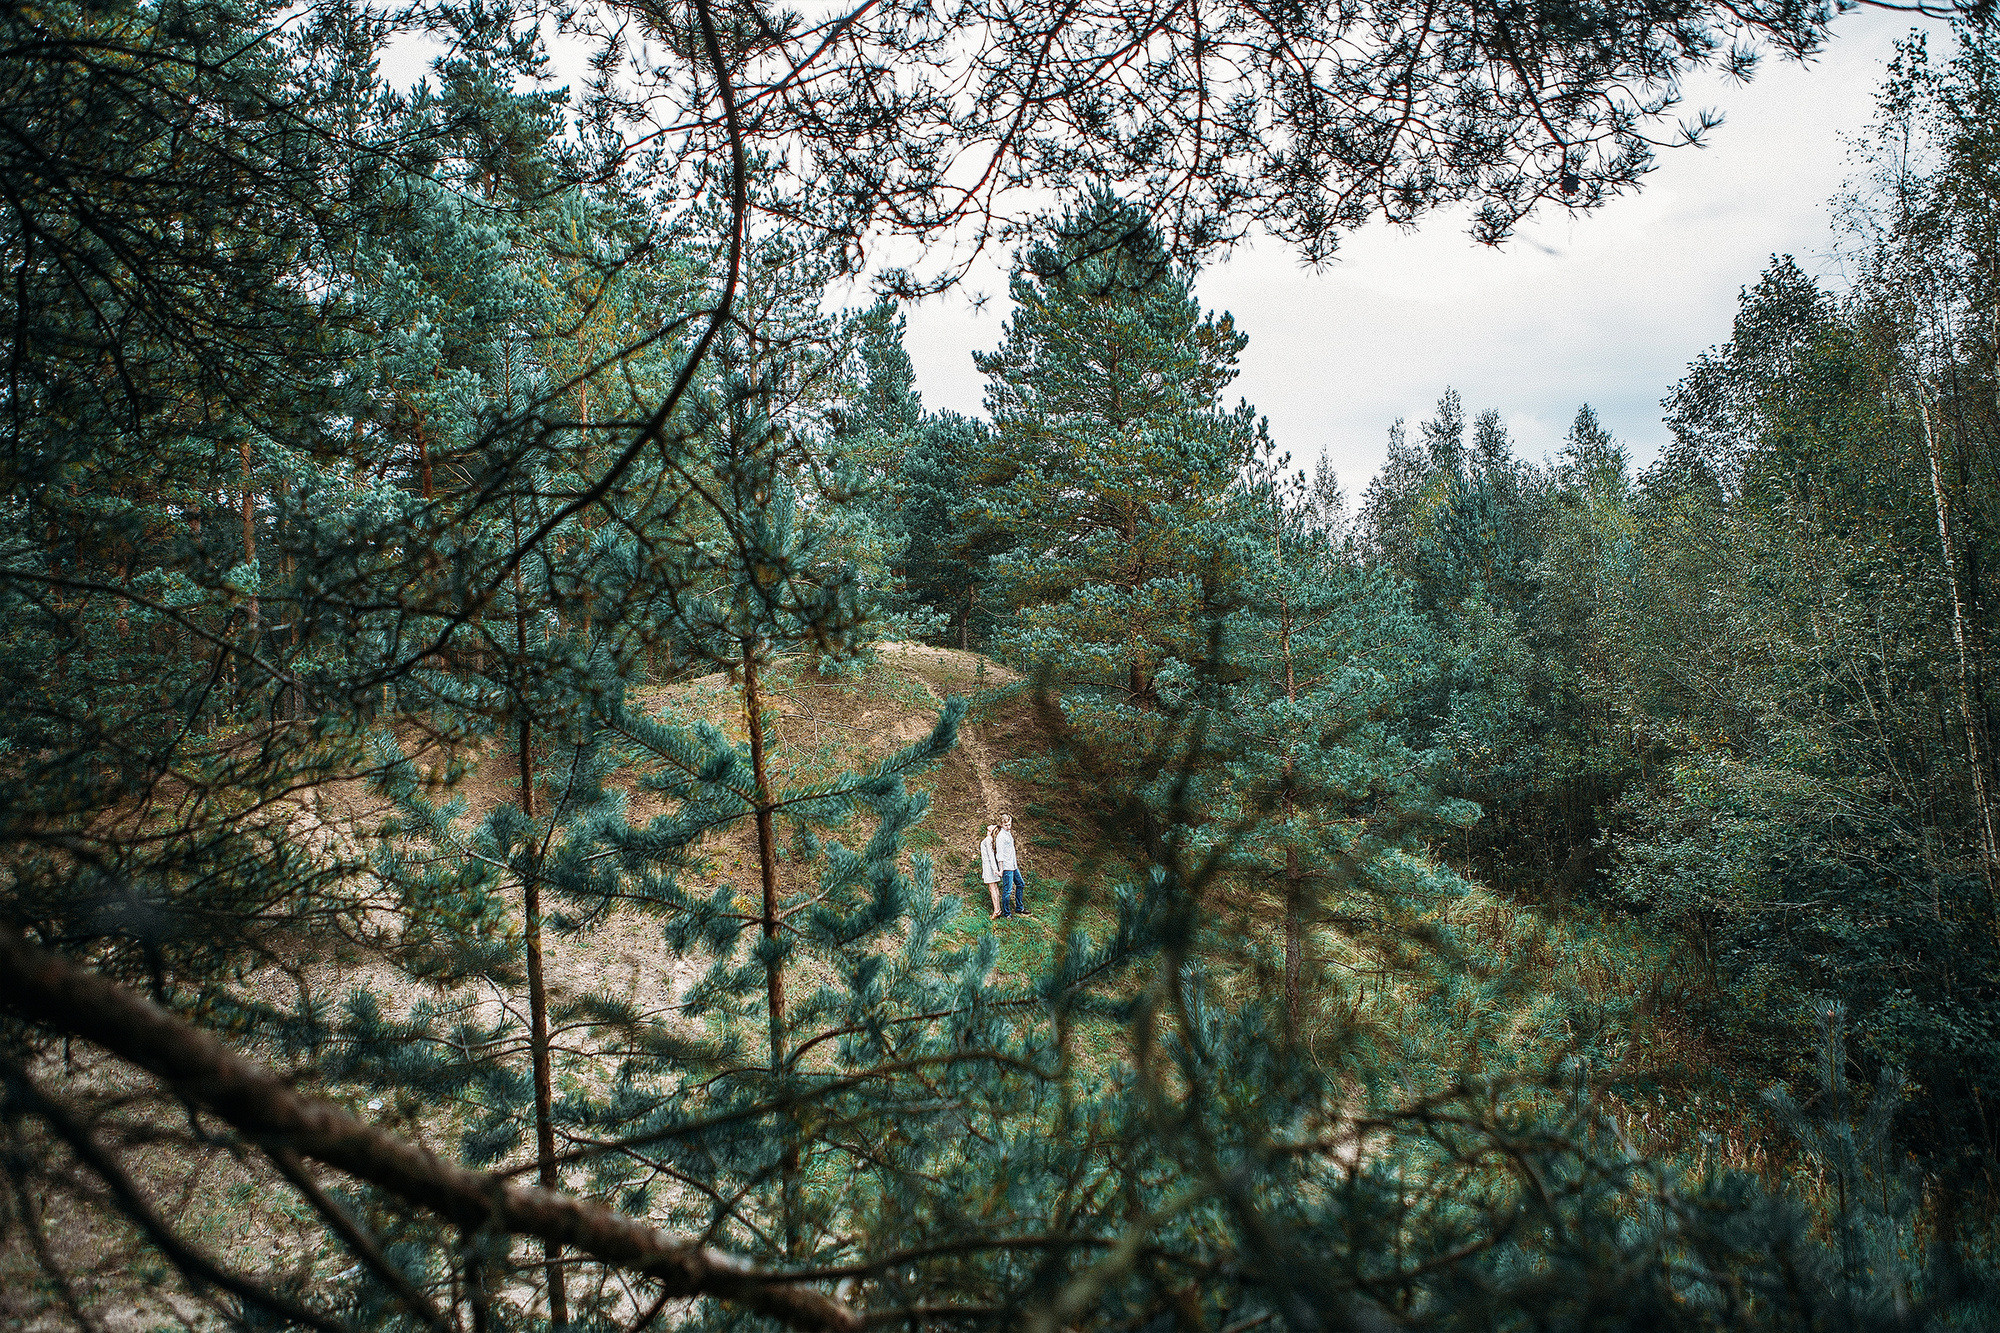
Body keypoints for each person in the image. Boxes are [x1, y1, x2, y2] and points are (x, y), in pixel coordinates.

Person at [995, 812, 1028, 918]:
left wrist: (1015, 864)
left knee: (1020, 884)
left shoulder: (1008, 834)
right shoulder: (1000, 837)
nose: (1008, 827)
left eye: (1009, 824)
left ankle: (1019, 907)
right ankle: (1007, 913)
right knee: (1007, 890)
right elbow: (999, 854)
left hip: (1013, 866)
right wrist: (1001, 869)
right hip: (1006, 867)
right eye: (1006, 825)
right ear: (1001, 824)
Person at [979, 824, 1004, 919]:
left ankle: (997, 910)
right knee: (994, 888)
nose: (991, 824)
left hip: (989, 867)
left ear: (992, 830)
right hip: (989, 866)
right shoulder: (989, 840)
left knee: (992, 888)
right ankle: (998, 909)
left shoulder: (988, 840)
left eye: (993, 825)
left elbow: (991, 856)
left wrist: (994, 870)